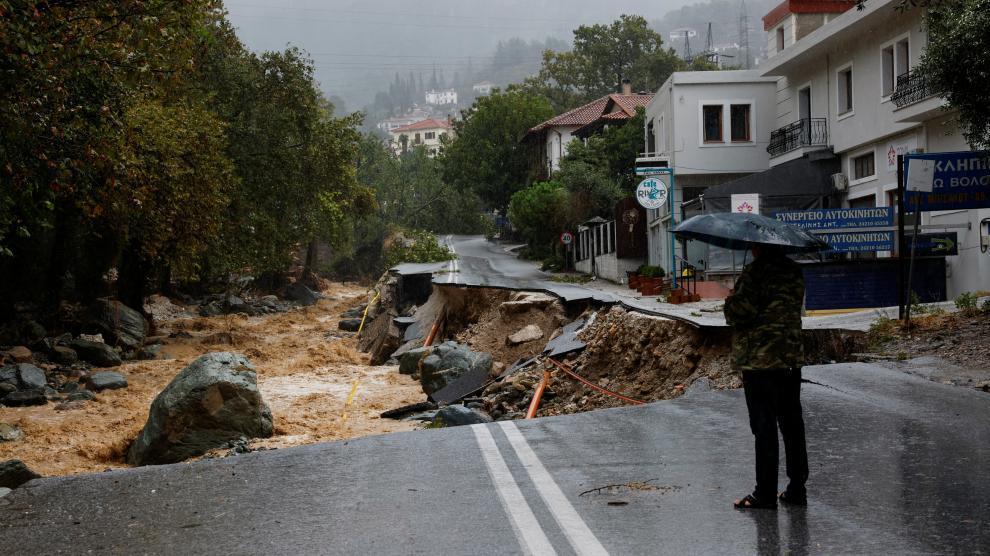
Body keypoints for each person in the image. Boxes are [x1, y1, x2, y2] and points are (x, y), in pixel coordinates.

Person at [723, 243, 808, 510]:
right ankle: (796, 488)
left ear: (759, 246)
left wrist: (731, 298)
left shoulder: (755, 272)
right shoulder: (794, 271)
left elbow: (739, 312)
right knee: (792, 424)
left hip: (760, 361)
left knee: (764, 428)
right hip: (790, 358)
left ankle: (765, 494)